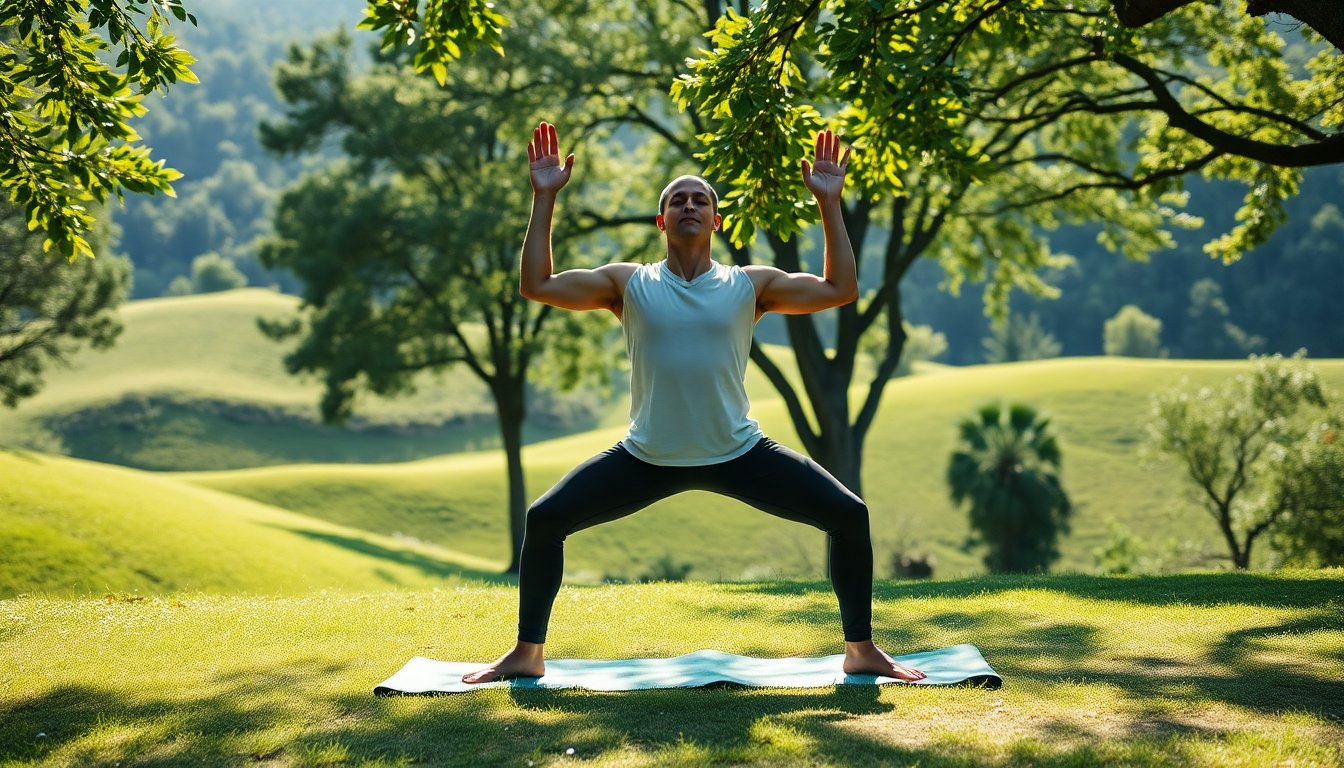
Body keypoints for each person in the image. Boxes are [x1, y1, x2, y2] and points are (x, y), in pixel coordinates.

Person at [463, 121, 926, 684]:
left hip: (738, 451)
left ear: (716, 220)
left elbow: (840, 289)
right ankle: (526, 653)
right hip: (647, 455)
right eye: (677, 200)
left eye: (700, 199)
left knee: (849, 515)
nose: (689, 205)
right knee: (544, 519)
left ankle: (861, 649)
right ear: (662, 221)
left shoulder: (749, 285)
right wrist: (544, 198)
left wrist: (829, 204)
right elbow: (537, 284)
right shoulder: (627, 284)